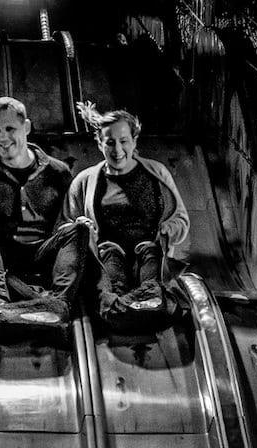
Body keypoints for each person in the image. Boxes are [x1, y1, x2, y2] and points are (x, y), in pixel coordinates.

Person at [0, 96, 92, 326]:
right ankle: (0, 304)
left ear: (27, 127)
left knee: (78, 229)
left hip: (42, 254)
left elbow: (66, 223)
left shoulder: (57, 172)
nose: (3, 138)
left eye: (10, 129)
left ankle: (55, 305)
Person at [66, 101, 189, 328]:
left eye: (124, 141)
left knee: (150, 259)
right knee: (111, 264)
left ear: (134, 141)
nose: (117, 150)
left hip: (148, 252)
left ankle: (148, 296)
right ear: (99, 143)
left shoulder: (157, 174)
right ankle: (120, 303)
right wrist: (82, 229)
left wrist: (169, 229)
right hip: (108, 255)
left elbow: (180, 219)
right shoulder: (84, 182)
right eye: (110, 143)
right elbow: (67, 230)